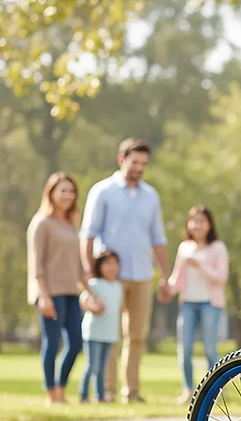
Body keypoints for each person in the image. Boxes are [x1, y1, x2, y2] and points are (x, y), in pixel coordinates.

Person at [80, 138, 171, 404]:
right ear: (122, 160)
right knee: (110, 335)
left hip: (143, 274)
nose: (140, 168)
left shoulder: (151, 196)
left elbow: (158, 239)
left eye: (144, 163)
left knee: (137, 336)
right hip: (110, 277)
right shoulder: (102, 191)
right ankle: (106, 390)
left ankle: (130, 392)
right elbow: (88, 235)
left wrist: (165, 276)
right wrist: (88, 275)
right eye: (135, 162)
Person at [27, 172, 98, 405]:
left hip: (70, 292)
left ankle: (60, 387)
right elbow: (36, 263)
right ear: (51, 193)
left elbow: (78, 266)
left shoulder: (69, 224)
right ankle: (51, 393)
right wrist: (44, 296)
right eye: (63, 190)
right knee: (52, 341)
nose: (68, 195)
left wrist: (91, 292)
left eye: (71, 191)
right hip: (49, 292)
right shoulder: (41, 223)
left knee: (76, 343)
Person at [168, 205, 229, 404]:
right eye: (193, 220)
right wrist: (167, 288)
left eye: (201, 221)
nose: (197, 225)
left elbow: (221, 278)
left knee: (210, 349)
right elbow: (177, 278)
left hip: (210, 304)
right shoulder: (184, 248)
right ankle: (188, 389)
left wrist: (200, 266)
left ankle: (216, 390)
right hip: (188, 303)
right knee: (184, 349)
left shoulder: (217, 248)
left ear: (210, 224)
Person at [78, 251, 123, 404]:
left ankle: (100, 396)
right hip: (94, 332)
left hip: (109, 333)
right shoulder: (94, 284)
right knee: (92, 366)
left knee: (103, 368)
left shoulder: (118, 286)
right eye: (108, 263)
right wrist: (93, 306)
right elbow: (83, 301)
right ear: (100, 266)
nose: (112, 267)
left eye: (115, 263)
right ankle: (83, 396)